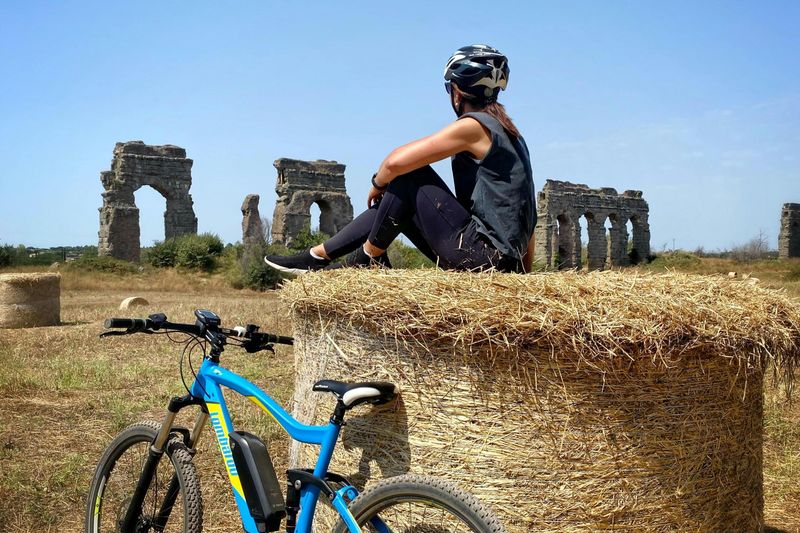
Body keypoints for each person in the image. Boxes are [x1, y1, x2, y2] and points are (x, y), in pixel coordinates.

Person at [265, 44, 536, 274]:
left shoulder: (475, 126)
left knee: (409, 175)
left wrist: (378, 182)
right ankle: (321, 256)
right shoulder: (513, 137)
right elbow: (528, 219)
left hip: (481, 259)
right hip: (497, 264)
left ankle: (363, 258)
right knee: (398, 203)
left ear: (456, 91)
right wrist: (521, 277)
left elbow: (395, 162)